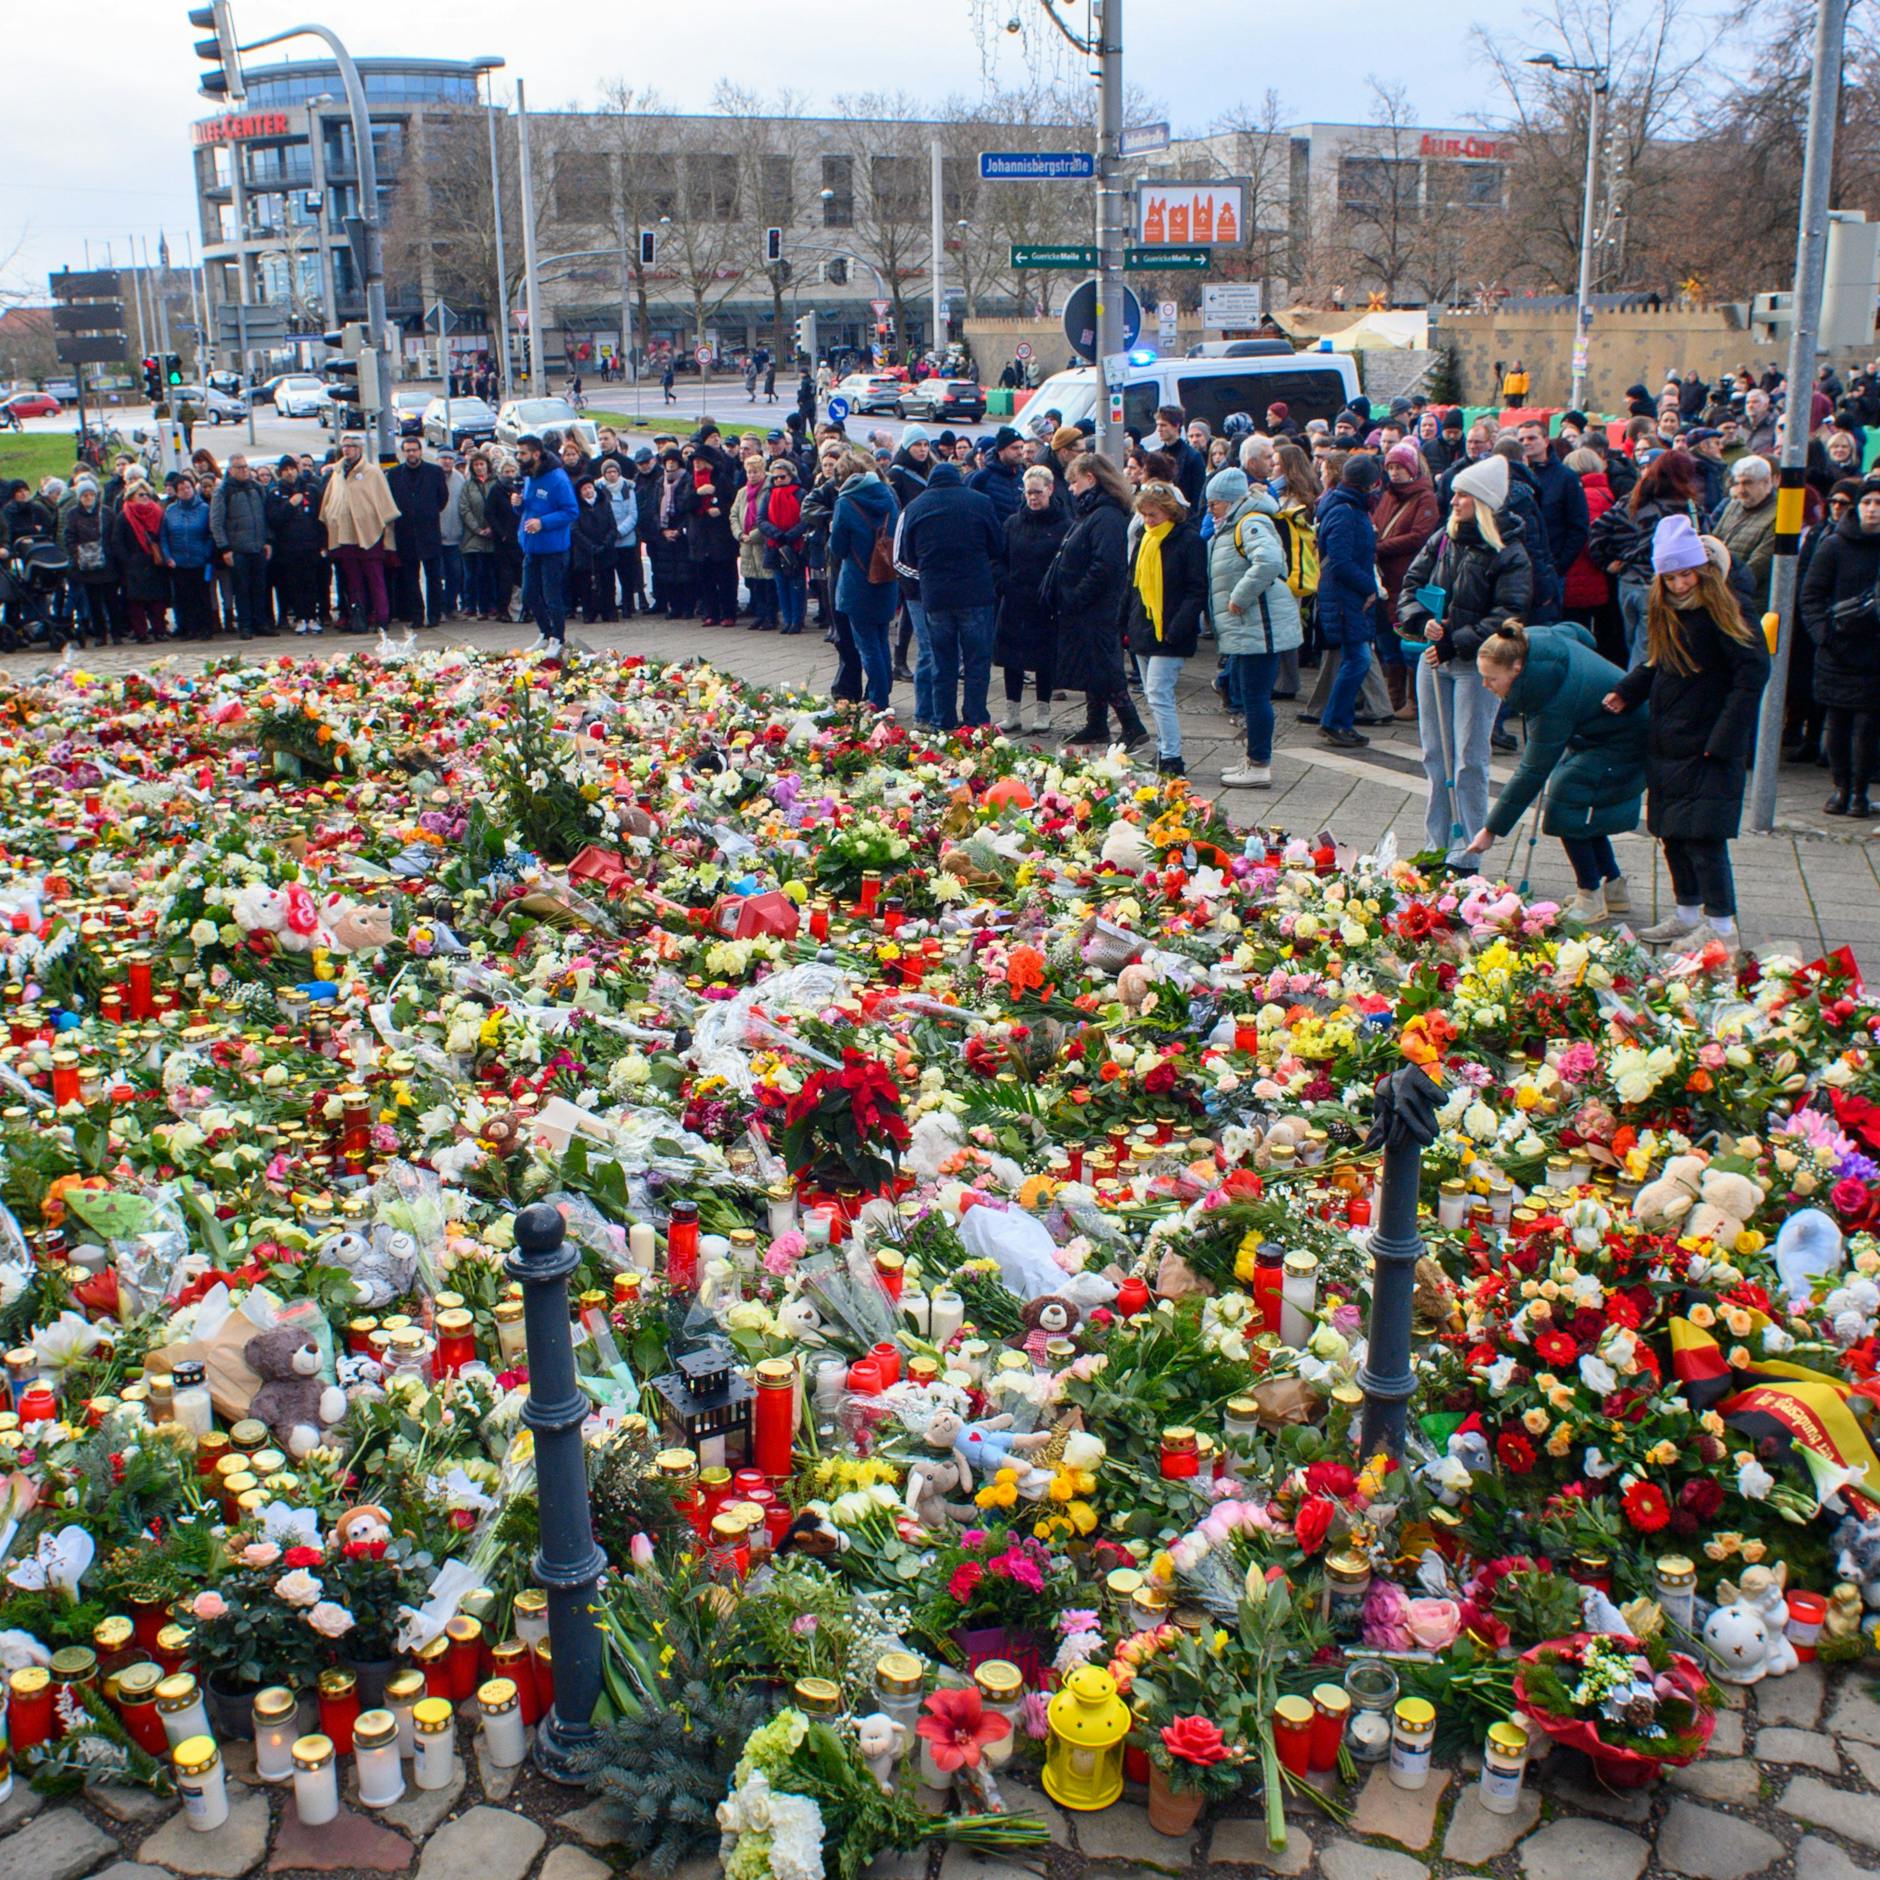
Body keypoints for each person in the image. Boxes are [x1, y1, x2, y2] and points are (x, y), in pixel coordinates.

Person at [1606, 515, 1769, 955]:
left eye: (1686, 574)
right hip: (1671, 739)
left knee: (1704, 838)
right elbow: (1659, 660)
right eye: (1671, 576)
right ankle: (1687, 914)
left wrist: (1726, 738)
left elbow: (1752, 674)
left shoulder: (1727, 607)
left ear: (1702, 570)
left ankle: (1722, 927)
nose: (1679, 583)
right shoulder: (1669, 608)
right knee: (1672, 833)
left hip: (1709, 742)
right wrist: (1628, 690)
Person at [1463, 619, 1648, 924]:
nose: (1486, 685)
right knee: (1583, 804)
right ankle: (1614, 889)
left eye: (1491, 679)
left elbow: (1533, 771)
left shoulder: (1549, 700)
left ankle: (1590, 895)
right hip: (1608, 731)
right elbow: (1578, 632)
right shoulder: (1531, 640)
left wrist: (1491, 829)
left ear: (1516, 669)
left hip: (1628, 739)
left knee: (1567, 800)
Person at [1396, 453, 1534, 856]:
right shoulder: (1443, 538)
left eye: (1463, 495)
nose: (1453, 501)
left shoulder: (1509, 552)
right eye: (1453, 494)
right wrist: (1422, 620)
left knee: (1470, 760)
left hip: (1478, 667)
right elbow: (1411, 585)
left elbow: (1508, 614)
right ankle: (1437, 844)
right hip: (1434, 659)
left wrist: (1455, 640)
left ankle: (1467, 851)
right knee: (1435, 757)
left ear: (1484, 502)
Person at [1208, 465, 1302, 789]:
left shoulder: (1250, 522)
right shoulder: (1240, 522)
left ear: (1230, 500)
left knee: (1255, 697)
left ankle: (1259, 763)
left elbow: (1269, 561)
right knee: (1249, 694)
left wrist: (1239, 596)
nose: (1211, 509)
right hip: (1250, 627)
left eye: (1215, 502)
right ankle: (1253, 758)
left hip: (1258, 626)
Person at [899, 457, 1003, 730]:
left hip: (935, 596)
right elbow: (997, 545)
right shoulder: (980, 502)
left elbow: (909, 555)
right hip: (975, 593)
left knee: (942, 662)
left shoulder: (916, 507)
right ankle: (976, 719)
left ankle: (942, 720)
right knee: (976, 662)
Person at [1056, 452, 1148, 750]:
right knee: (1093, 665)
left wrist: (1077, 595)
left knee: (1106, 667)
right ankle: (1096, 723)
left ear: (1090, 479)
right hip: (1090, 606)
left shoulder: (1105, 515)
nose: (1070, 488)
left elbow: (1104, 565)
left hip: (1098, 607)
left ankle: (1132, 725)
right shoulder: (1093, 511)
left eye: (1074, 481)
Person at [1800, 476, 1880, 815]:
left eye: (1878, 503)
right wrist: (1824, 636)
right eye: (1867, 503)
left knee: (1867, 727)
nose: (1873, 510)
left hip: (1875, 653)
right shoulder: (1834, 545)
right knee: (1838, 722)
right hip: (1837, 649)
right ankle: (1840, 788)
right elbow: (1811, 595)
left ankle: (1860, 793)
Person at [1588, 449, 1707, 666]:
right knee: (1647, 654)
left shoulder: (1632, 500)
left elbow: (1597, 530)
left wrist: (1607, 562)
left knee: (1633, 644)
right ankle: (1634, 698)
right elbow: (1704, 543)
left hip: (1627, 583)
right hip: (1658, 585)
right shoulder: (1684, 508)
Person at [1121, 479, 1207, 776]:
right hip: (1144, 626)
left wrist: (1176, 628)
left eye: (1153, 515)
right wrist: (1124, 625)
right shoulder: (1146, 539)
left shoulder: (1188, 541)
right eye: (1144, 515)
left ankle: (1172, 755)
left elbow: (1196, 590)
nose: (1147, 521)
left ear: (1170, 512)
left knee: (1159, 693)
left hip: (1170, 630)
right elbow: (1132, 586)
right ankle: (1164, 750)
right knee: (1151, 693)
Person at [1314, 454, 1384, 748]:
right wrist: (1371, 587)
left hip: (1346, 594)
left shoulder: (1347, 506)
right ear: (1372, 484)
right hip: (1345, 595)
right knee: (1358, 659)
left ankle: (1337, 721)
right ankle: (1335, 722)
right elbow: (1341, 562)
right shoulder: (1345, 511)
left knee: (1356, 658)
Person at [994, 464, 1068, 733]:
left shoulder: (1064, 525)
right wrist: (1003, 583)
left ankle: (1043, 711)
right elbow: (999, 558)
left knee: (1044, 659)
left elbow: (1067, 564)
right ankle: (1012, 711)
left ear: (1050, 489)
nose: (1033, 498)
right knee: (1011, 658)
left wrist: (1054, 592)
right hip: (1014, 600)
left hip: (1044, 603)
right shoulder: (1013, 523)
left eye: (1037, 492)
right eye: (1028, 493)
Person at [827, 448, 902, 710]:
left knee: (867, 645)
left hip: (857, 583)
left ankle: (877, 702)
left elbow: (837, 548)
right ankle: (882, 694)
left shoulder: (845, 503)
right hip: (886, 578)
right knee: (880, 640)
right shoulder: (889, 496)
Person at [1372, 443, 1440, 721]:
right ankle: (1394, 695)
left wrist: (1381, 547)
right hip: (1386, 577)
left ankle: (1413, 699)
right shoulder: (1387, 496)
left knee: (1408, 636)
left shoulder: (1425, 498)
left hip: (1408, 576)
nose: (1394, 472)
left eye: (1399, 467)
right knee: (1387, 639)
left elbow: (1419, 535)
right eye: (1390, 467)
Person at [515, 432, 579, 655]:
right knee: (529, 595)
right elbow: (529, 509)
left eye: (522, 453)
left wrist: (543, 523)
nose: (518, 457)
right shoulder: (528, 476)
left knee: (552, 596)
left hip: (553, 548)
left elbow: (571, 511)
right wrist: (518, 505)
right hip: (531, 546)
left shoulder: (557, 479)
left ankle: (558, 639)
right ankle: (545, 632)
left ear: (536, 454)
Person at [1559, 447, 1622, 664]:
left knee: (1577, 634)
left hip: (1579, 574)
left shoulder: (1580, 497)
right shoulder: (1608, 495)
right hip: (1602, 577)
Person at [385, 437, 450, 628]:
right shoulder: (395, 474)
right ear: (403, 452)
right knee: (410, 578)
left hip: (429, 531)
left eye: (414, 450)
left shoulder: (434, 472)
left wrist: (427, 512)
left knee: (434, 577)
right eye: (407, 450)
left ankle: (435, 615)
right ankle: (416, 616)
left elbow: (442, 498)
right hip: (405, 533)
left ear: (420, 451)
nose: (411, 453)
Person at [208, 453, 272, 640]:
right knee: (242, 589)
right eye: (239, 467)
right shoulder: (223, 492)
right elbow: (216, 522)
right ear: (230, 470)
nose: (244, 470)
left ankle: (261, 623)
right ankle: (245, 625)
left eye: (245, 466)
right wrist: (225, 548)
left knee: (259, 587)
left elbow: (265, 517)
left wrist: (268, 540)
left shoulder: (257, 488)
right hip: (237, 549)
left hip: (258, 545)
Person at [1712, 455, 1779, 620]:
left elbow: (1759, 564)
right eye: (1738, 483)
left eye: (1748, 483)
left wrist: (1721, 586)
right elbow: (1715, 543)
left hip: (1750, 603)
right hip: (1720, 596)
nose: (1741, 489)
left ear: (1766, 482)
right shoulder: (1734, 505)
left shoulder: (1779, 515)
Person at [266, 457, 327, 635]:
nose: (290, 473)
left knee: (312, 582)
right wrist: (290, 505)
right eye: (285, 470)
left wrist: (323, 543)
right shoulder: (276, 494)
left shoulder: (311, 490)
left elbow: (320, 518)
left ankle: (312, 617)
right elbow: (274, 519)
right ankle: (300, 617)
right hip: (289, 548)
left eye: (292, 468)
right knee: (294, 583)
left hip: (311, 545)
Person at [687, 428, 740, 625]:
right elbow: (685, 505)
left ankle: (728, 613)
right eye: (695, 461)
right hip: (701, 537)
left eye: (700, 461)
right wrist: (698, 495)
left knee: (725, 578)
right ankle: (711, 613)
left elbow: (733, 503)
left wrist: (720, 508)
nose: (697, 464)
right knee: (706, 578)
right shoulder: (691, 481)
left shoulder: (722, 480)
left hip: (720, 538)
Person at [111, 472, 169, 645]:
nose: (145, 498)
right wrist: (127, 561)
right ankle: (141, 632)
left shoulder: (157, 512)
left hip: (154, 560)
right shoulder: (125, 516)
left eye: (147, 494)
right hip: (134, 563)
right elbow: (117, 541)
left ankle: (159, 630)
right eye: (140, 495)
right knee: (136, 602)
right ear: (132, 496)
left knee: (157, 600)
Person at [159, 472, 218, 641]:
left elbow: (211, 534)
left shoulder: (204, 509)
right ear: (176, 492)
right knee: (184, 597)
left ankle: (206, 628)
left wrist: (206, 552)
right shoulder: (170, 511)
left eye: (188, 487)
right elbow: (164, 536)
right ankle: (189, 628)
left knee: (202, 596)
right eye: (181, 489)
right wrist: (168, 557)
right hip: (179, 561)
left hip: (200, 560)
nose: (186, 491)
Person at [61, 478, 119, 647]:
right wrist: (77, 554)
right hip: (87, 565)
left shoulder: (107, 512)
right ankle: (100, 634)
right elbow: (69, 536)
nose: (88, 498)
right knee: (93, 602)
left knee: (111, 600)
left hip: (107, 562)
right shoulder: (72, 514)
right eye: (84, 495)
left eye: (91, 495)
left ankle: (116, 633)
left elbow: (114, 535)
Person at [758, 457, 809, 637]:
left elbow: (805, 519)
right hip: (775, 545)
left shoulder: (801, 494)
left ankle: (797, 619)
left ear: (791, 476)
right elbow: (761, 519)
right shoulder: (768, 495)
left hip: (794, 546)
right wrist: (776, 534)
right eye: (776, 477)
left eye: (783, 477)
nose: (779, 480)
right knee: (781, 584)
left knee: (796, 584)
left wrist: (790, 535)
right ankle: (787, 619)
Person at [732, 447, 775, 630]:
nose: (752, 475)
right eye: (749, 472)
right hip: (746, 544)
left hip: (762, 542)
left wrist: (754, 535)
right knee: (754, 584)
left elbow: (770, 516)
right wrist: (740, 534)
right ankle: (760, 614)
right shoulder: (743, 492)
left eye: (755, 471)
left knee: (768, 583)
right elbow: (734, 514)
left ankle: (770, 617)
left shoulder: (768, 490)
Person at [458, 452, 500, 619]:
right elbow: (464, 508)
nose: (479, 467)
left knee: (490, 573)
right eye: (476, 465)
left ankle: (491, 605)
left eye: (482, 464)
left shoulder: (495, 484)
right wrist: (477, 528)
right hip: (472, 537)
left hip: (493, 535)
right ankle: (473, 604)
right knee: (473, 573)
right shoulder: (468, 486)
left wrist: (492, 527)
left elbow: (499, 507)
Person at [570, 474, 616, 623]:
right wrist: (590, 546)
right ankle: (589, 612)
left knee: (608, 583)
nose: (588, 491)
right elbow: (575, 530)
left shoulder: (604, 503)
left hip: (605, 550)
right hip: (585, 554)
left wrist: (605, 543)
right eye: (584, 489)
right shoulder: (576, 508)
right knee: (586, 585)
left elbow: (612, 526)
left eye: (589, 487)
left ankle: (609, 611)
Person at [598, 459, 641, 618]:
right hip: (607, 540)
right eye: (608, 472)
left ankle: (628, 605)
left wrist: (620, 531)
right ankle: (609, 608)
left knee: (627, 576)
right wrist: (609, 534)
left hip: (626, 539)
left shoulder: (628, 488)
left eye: (614, 471)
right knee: (607, 577)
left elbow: (633, 514)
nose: (612, 475)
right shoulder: (599, 489)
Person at [1152, 406, 1207, 511]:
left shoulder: (1193, 457)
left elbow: (1198, 495)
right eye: (1158, 425)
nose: (1159, 429)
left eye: (1163, 425)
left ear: (1176, 425)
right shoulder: (1157, 456)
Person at [969, 426, 1026, 524]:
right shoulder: (982, 478)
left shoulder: (1024, 475)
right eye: (1014, 448)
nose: (1020, 452)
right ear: (1001, 450)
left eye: (1021, 447)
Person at [436, 450, 466, 618]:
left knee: (455, 573)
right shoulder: (432, 476)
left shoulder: (459, 479)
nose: (446, 462)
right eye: (443, 458)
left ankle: (451, 607)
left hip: (455, 536)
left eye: (449, 459)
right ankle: (439, 608)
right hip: (436, 537)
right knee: (437, 576)